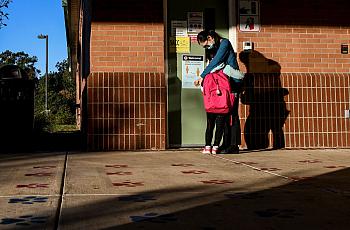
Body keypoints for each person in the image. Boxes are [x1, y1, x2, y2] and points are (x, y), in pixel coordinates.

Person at [194, 30, 242, 154]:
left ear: (210, 38)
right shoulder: (214, 47)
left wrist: (202, 76)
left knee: (231, 114)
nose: (206, 47)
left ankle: (233, 145)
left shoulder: (224, 43)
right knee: (223, 113)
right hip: (222, 83)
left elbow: (216, 62)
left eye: (205, 44)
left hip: (232, 83)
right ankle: (225, 144)